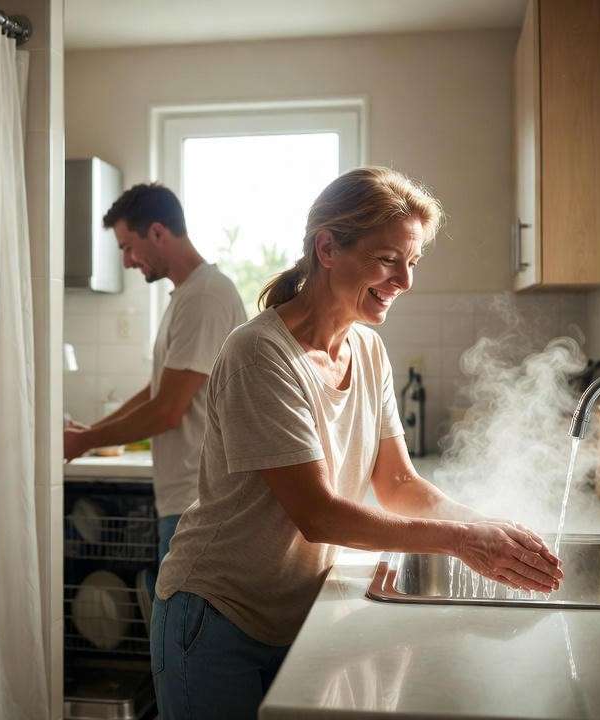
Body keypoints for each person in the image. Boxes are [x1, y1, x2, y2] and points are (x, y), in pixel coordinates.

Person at [150, 167, 563, 720]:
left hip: (293, 614)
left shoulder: (367, 350)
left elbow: (397, 484)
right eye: (388, 259)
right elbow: (319, 516)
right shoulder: (261, 353)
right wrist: (464, 541)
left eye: (411, 263)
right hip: (215, 615)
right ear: (328, 248)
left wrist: (488, 527)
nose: (405, 281)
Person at [63, 183, 247, 598]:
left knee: (183, 642)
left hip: (198, 503)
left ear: (159, 232)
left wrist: (85, 439)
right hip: (184, 499)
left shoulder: (205, 296)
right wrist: (89, 435)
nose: (127, 261)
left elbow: (167, 410)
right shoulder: (187, 295)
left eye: (129, 246)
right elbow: (157, 390)